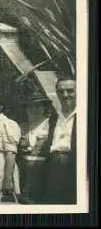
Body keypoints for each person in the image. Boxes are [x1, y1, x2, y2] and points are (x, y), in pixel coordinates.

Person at [16, 91, 53, 204]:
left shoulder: (51, 125)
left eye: (38, 106)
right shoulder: (21, 127)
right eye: (30, 107)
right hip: (24, 174)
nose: (34, 109)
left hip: (45, 172)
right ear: (26, 109)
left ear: (44, 108)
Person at [45, 76, 77, 204]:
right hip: (54, 167)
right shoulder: (54, 117)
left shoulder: (86, 115)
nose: (65, 95)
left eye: (70, 90)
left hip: (74, 166)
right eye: (60, 91)